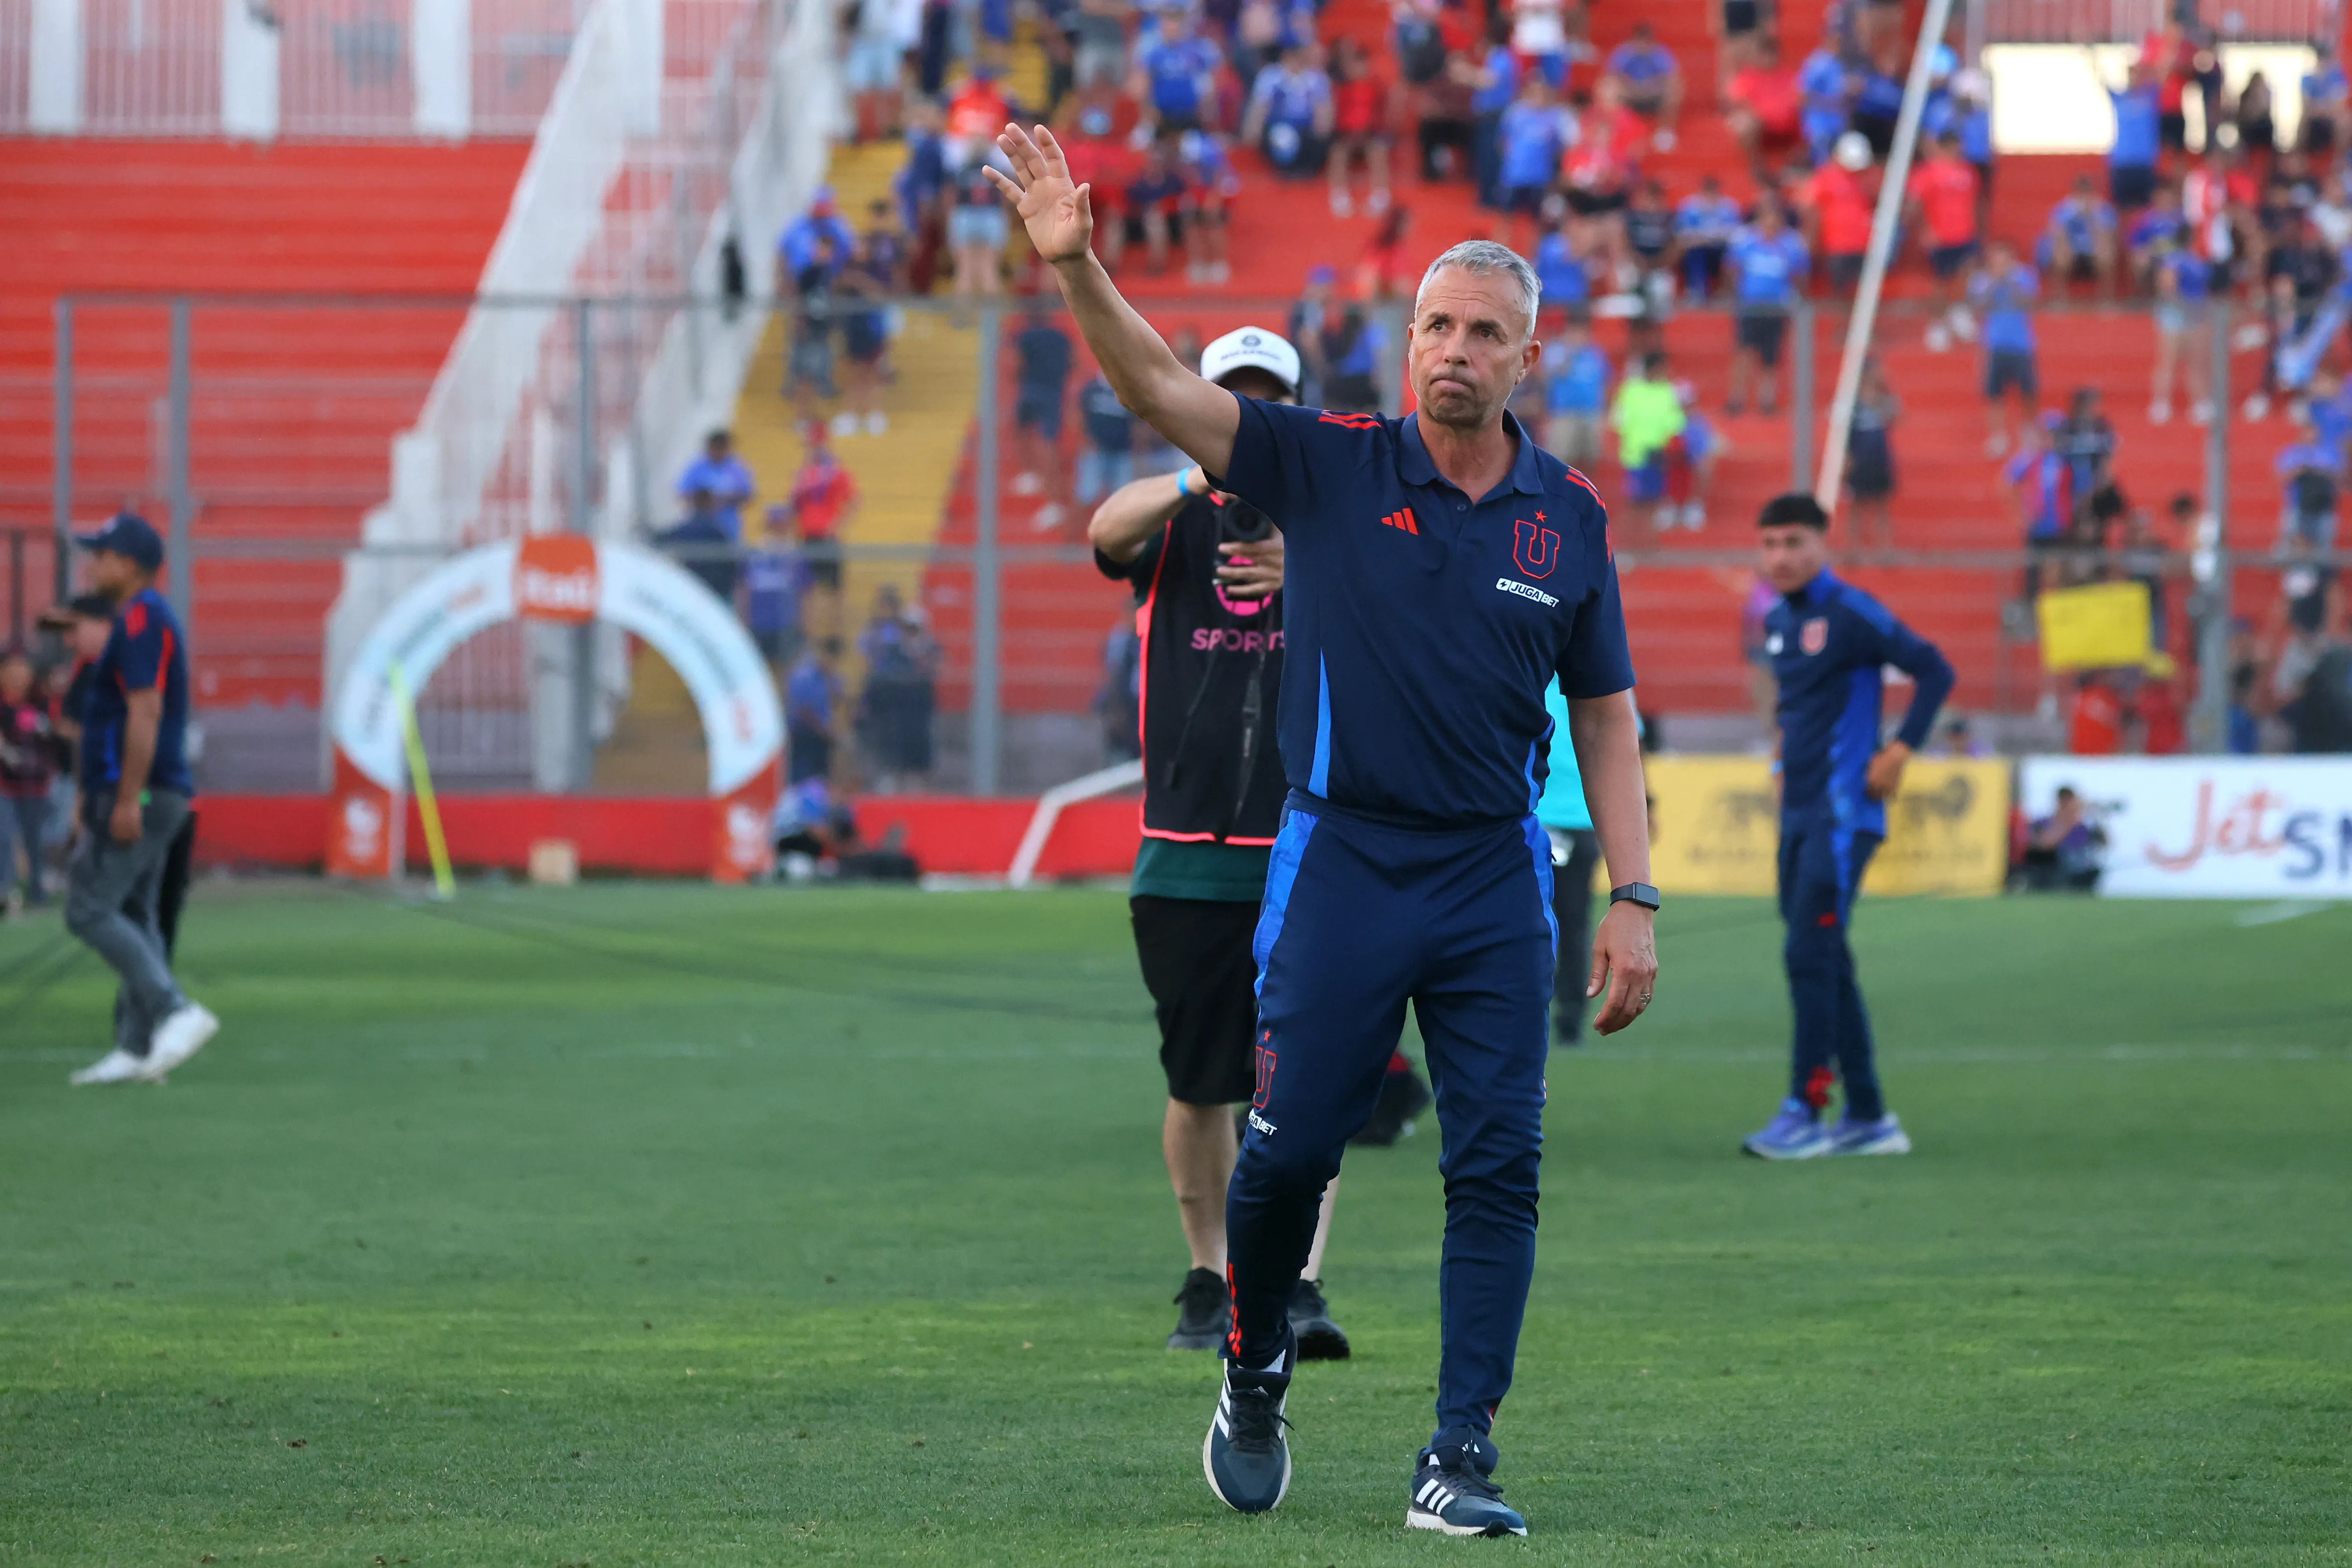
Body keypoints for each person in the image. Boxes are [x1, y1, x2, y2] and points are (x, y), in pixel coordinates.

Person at [987, 127, 1656, 1536]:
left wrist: (1637, 892)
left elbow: (1606, 715)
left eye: (1484, 332)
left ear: (1527, 360)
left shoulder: (1570, 519)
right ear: (1406, 340)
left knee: (1500, 1164)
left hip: (1493, 874)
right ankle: (1252, 1365)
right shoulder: (1330, 463)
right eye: (1435, 325)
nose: (1454, 350)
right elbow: (1163, 388)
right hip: (1342, 858)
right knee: (1286, 1152)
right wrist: (1080, 267)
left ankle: (1459, 1452)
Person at [1090, 325, 1361, 1363]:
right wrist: (1191, 476)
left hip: (1316, 845)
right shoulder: (1178, 520)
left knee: (1312, 1078)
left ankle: (1296, 1283)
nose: (1248, 414)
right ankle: (1208, 1278)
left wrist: (1308, 556)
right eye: (1230, 398)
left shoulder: (1336, 521)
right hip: (1188, 852)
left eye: (1265, 399)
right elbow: (1104, 529)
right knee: (1200, 1082)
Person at [1742, 493, 1953, 1160]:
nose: (1781, 557)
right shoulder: (1778, 621)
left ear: (1822, 544)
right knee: (1825, 958)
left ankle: (1807, 1108)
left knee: (1808, 955)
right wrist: (1779, 761)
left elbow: (1935, 669)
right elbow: (1795, 710)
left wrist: (1898, 750)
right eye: (1770, 544)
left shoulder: (1851, 612)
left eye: (1794, 543)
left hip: (1841, 819)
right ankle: (1868, 1116)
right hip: (1800, 815)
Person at [59, 514, 220, 1088]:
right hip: (142, 789)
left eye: (100, 555)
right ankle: (136, 1044)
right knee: (133, 911)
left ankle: (174, 1010)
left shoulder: (143, 618)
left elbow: (145, 711)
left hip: (143, 791)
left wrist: (129, 796)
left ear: (127, 564)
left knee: (87, 909)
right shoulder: (138, 618)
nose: (92, 564)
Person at [1534, 676, 1599, 1043]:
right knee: (1567, 926)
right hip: (1534, 818)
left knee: (1571, 924)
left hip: (1571, 818)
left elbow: (1624, 740)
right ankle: (1561, 1015)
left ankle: (1569, 1017)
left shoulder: (1588, 667)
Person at [1725, 200, 1807, 417]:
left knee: (1770, 357)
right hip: (1750, 305)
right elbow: (1733, 269)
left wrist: (1792, 298)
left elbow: (1800, 275)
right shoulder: (1745, 241)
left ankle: (1767, 399)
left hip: (1776, 307)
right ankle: (1737, 398)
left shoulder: (1791, 244)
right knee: (1744, 352)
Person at [1909, 131, 1983, 352]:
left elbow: (1974, 202)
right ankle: (1938, 324)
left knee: (1965, 275)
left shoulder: (1968, 171)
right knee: (1941, 283)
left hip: (1965, 232)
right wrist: (1924, 230)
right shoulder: (1928, 172)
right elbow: (1916, 202)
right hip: (1940, 236)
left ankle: (1958, 312)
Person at [0, 645, 59, 916]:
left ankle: (37, 893)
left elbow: (53, 736)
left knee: (35, 840)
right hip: (5, 783)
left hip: (36, 783)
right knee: (4, 837)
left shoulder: (39, 702)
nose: (19, 675)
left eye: (24, 670)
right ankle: (6, 892)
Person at [1967, 239, 2040, 457]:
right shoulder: (1981, 280)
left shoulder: (2025, 276)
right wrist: (1994, 285)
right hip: (1994, 343)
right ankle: (1998, 435)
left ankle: (2028, 429)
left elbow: (2029, 304)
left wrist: (2010, 283)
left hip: (2022, 343)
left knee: (2028, 391)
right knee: (1994, 393)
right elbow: (1979, 308)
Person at [1610, 350, 1688, 533]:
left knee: (1654, 501)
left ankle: (1648, 543)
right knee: (1634, 502)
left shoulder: (1668, 392)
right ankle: (1630, 540)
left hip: (1658, 454)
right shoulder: (1629, 391)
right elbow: (1618, 422)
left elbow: (1677, 425)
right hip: (1635, 455)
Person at [1011, 305, 1074, 523]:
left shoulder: (1024, 336)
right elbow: (1071, 364)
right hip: (1054, 393)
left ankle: (1038, 482)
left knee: (1028, 434)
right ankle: (1050, 498)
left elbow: (1015, 363)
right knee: (1048, 443)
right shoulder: (1061, 337)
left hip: (1032, 389)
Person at [1539, 314, 1608, 468]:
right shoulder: (1556, 350)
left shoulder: (1595, 353)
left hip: (1591, 413)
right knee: (1561, 458)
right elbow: (1549, 376)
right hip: (1564, 413)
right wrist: (1572, 352)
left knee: (1591, 458)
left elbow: (1602, 382)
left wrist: (1603, 411)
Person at [1845, 357, 1899, 545]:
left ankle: (1884, 545)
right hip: (1860, 458)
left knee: (1882, 504)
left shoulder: (1885, 399)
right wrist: (1848, 457)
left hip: (1879, 458)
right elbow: (1843, 428)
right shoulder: (1852, 402)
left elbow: (1896, 417)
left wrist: (1881, 396)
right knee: (1857, 504)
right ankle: (1853, 545)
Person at [1604, 19, 1681, 149]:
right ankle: (1614, 129)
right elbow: (1613, 76)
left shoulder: (1660, 53)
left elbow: (1671, 77)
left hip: (1653, 94)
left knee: (1675, 88)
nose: (1643, 45)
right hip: (1630, 94)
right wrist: (1630, 87)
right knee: (1608, 88)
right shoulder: (1624, 53)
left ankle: (1665, 132)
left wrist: (1651, 87)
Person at [657, 489, 740, 607]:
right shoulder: (717, 531)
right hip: (716, 589)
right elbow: (732, 563)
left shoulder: (689, 528)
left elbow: (662, 538)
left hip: (693, 587)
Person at [2041, 174, 2118, 300]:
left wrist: (2093, 216)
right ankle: (2059, 297)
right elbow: (2053, 231)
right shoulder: (2064, 209)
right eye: (2081, 192)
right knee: (2060, 247)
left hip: (2095, 251)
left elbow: (2111, 234)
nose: (2085, 196)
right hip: (2071, 252)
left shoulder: (2103, 209)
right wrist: (2074, 214)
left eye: (2088, 192)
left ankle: (2106, 296)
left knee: (2106, 249)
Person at [675, 430, 756, 543]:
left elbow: (748, 496)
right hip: (700, 525)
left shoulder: (737, 468)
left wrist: (725, 499)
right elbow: (684, 493)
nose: (719, 451)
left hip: (728, 525)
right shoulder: (697, 467)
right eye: (716, 447)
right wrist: (705, 500)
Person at [2106, 57, 2163, 213]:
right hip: (2121, 164)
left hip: (2145, 164)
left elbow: (2165, 68)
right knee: (2120, 211)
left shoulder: (2151, 96)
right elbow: (2100, 76)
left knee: (2147, 211)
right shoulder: (2119, 97)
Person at [1673, 173, 1742, 301]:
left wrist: (1711, 238)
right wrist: (1703, 239)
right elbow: (1682, 233)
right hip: (1697, 248)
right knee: (1696, 252)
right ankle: (1697, 290)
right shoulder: (1690, 206)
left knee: (1733, 255)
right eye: (1707, 191)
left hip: (1720, 249)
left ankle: (1726, 292)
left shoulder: (1729, 207)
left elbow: (1736, 233)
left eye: (1713, 191)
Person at [785, 637, 842, 784]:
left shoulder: (828, 678)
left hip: (821, 739)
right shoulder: (804, 677)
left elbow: (836, 700)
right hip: (805, 736)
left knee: (821, 779)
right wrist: (823, 730)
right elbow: (803, 711)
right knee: (803, 778)